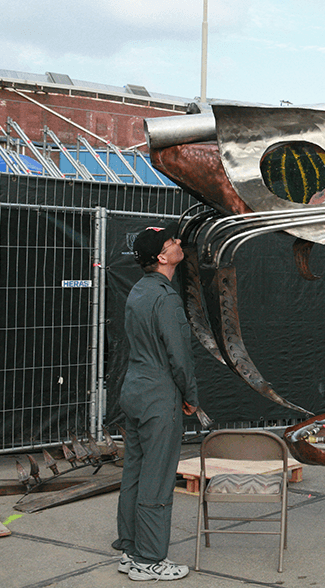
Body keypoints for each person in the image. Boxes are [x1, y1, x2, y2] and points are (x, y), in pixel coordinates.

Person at [113, 224, 199, 581]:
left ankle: (130, 551)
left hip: (134, 391)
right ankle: (150, 559)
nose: (179, 242)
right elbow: (179, 356)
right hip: (158, 396)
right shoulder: (166, 297)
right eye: (172, 242)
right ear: (163, 257)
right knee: (158, 477)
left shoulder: (140, 290)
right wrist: (191, 396)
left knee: (134, 472)